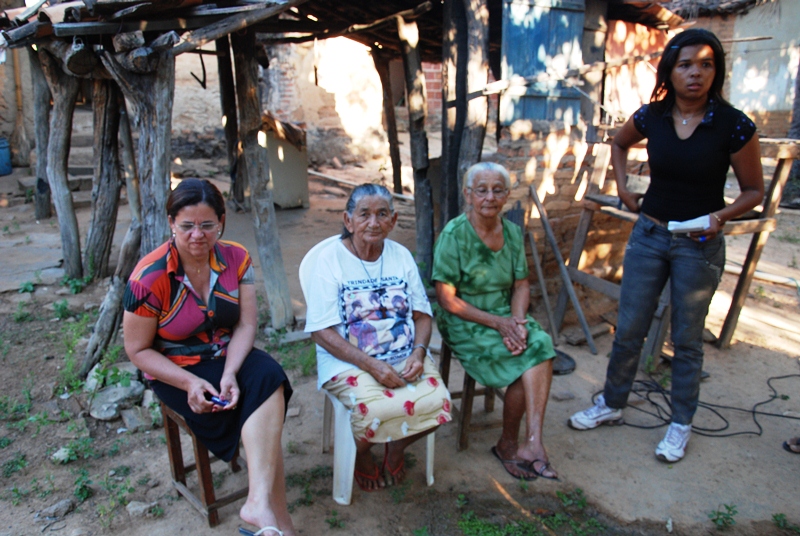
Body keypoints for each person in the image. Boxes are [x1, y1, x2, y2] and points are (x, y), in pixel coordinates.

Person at [568, 29, 764, 463]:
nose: (696, 73)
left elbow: (754, 192)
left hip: (699, 243)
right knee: (631, 326)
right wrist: (623, 188)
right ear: (670, 70)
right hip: (650, 235)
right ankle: (612, 405)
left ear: (717, 71)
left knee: (687, 340)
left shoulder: (734, 125)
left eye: (707, 64)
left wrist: (721, 216)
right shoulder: (652, 116)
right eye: (686, 64)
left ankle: (680, 424)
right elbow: (618, 143)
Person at [122, 179, 295, 536]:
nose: (197, 235)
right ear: (171, 223)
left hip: (226, 352)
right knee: (262, 412)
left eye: (207, 225)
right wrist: (189, 382)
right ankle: (279, 523)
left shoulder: (236, 257)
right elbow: (137, 350)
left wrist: (230, 372)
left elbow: (247, 324)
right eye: (186, 226)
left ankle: (259, 505)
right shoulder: (148, 278)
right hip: (175, 368)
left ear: (221, 222)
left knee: (268, 376)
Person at [300, 183, 452, 491]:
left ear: (393, 221)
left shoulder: (401, 256)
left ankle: (396, 447)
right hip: (349, 361)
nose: (374, 222)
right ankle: (363, 453)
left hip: (404, 355)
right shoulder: (330, 260)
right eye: (364, 214)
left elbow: (422, 315)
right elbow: (320, 331)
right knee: (376, 411)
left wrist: (418, 353)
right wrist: (371, 365)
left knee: (441, 404)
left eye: (382, 214)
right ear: (348, 220)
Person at [433, 162, 559, 481]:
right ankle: (507, 444)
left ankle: (532, 442)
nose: (490, 197)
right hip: (465, 318)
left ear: (506, 196)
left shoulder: (513, 233)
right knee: (522, 360)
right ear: (468, 194)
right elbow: (447, 299)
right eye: (482, 190)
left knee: (539, 344)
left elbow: (521, 285)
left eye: (497, 190)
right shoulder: (453, 235)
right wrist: (498, 324)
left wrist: (516, 322)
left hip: (504, 312)